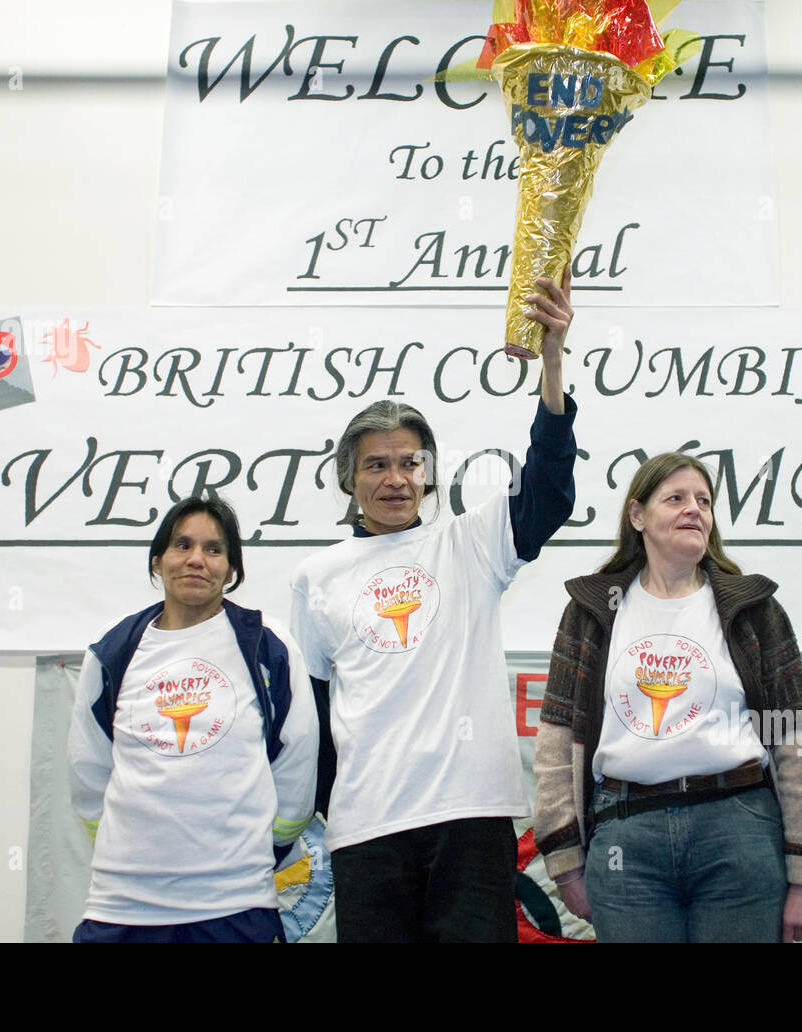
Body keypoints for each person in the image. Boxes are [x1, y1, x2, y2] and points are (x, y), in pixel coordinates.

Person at [290, 273, 577, 942]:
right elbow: (313, 709)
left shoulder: (471, 542)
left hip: (471, 818)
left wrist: (554, 360)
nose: (394, 478)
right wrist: (336, 806)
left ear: (428, 471)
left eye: (409, 463)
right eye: (375, 465)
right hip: (367, 829)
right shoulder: (318, 575)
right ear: (348, 480)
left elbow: (549, 489)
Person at [534, 452, 802, 942]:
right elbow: (555, 746)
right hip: (624, 840)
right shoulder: (592, 611)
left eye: (703, 500)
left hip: (740, 829)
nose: (693, 509)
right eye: (675, 498)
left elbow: (798, 740)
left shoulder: (752, 608)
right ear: (637, 516)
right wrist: (567, 865)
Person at [68, 494, 318, 942]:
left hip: (235, 906)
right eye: (182, 545)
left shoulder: (268, 644)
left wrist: (264, 854)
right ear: (157, 561)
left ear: (233, 569)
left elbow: (297, 769)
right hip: (121, 907)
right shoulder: (112, 652)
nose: (196, 560)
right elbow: (88, 773)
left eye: (214, 549)